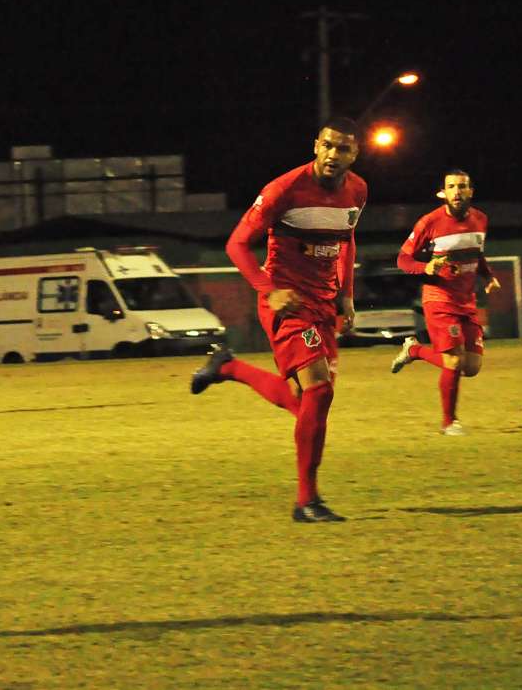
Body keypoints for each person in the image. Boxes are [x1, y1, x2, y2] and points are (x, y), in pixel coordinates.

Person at [189, 117, 367, 523]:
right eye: (327, 145)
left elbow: (347, 238)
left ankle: (229, 366)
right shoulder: (284, 189)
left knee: (308, 402)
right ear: (315, 145)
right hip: (286, 303)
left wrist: (346, 294)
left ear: (354, 155)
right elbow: (236, 244)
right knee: (319, 391)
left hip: (323, 304)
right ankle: (307, 501)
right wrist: (267, 289)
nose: (332, 155)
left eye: (343, 149)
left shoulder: (358, 190)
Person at [390, 170, 500, 435]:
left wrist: (488, 276)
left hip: (466, 300)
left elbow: (476, 254)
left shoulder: (481, 220)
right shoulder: (430, 222)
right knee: (453, 361)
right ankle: (449, 422)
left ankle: (414, 350)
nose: (457, 191)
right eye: (451, 187)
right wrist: (427, 267)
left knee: (471, 367)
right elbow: (402, 260)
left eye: (462, 186)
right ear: (444, 192)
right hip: (439, 299)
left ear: (471, 191)